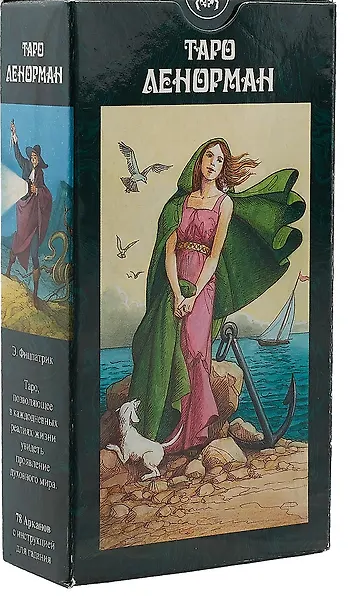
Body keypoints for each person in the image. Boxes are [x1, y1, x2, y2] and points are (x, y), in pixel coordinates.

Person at [127, 138, 305, 452]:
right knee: (171, 349)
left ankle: (192, 433)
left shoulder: (225, 204)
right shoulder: (178, 204)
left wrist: (193, 295)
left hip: (203, 285)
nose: (213, 163)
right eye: (209, 156)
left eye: (220, 160)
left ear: (223, 168)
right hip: (175, 282)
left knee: (196, 351)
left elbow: (213, 256)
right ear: (199, 160)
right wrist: (176, 292)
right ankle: (168, 429)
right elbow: (168, 252)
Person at [5, 120, 53, 308]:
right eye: (32, 156)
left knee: (34, 254)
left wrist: (38, 190)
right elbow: (17, 154)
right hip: (24, 209)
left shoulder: (40, 173)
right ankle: (8, 271)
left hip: (35, 215)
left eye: (36, 157)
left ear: (39, 159)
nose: (33, 159)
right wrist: (14, 136)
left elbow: (45, 192)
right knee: (18, 239)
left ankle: (34, 294)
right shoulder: (24, 165)